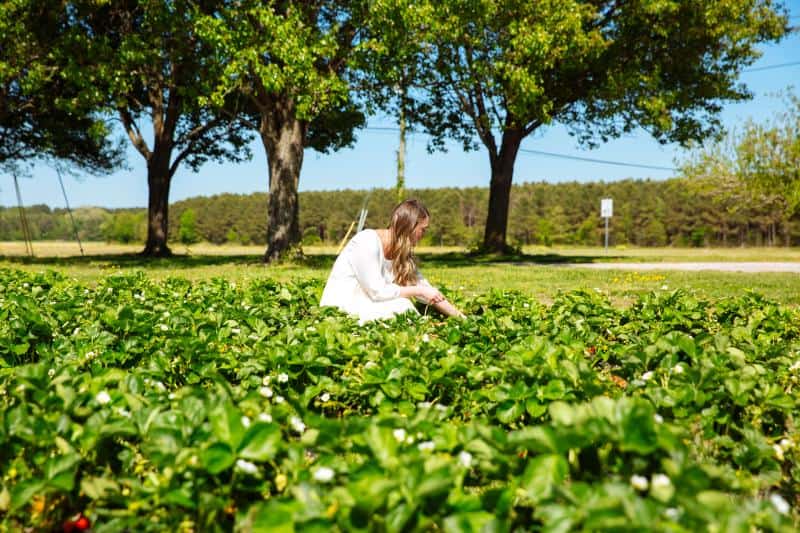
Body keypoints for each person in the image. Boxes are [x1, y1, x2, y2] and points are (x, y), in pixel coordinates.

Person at [320, 199, 465, 323]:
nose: (423, 235)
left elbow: (427, 291)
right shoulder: (366, 241)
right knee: (403, 307)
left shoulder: (402, 255)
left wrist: (461, 318)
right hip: (342, 309)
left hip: (371, 305)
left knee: (403, 307)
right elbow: (377, 291)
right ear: (410, 227)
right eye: (423, 230)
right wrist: (419, 290)